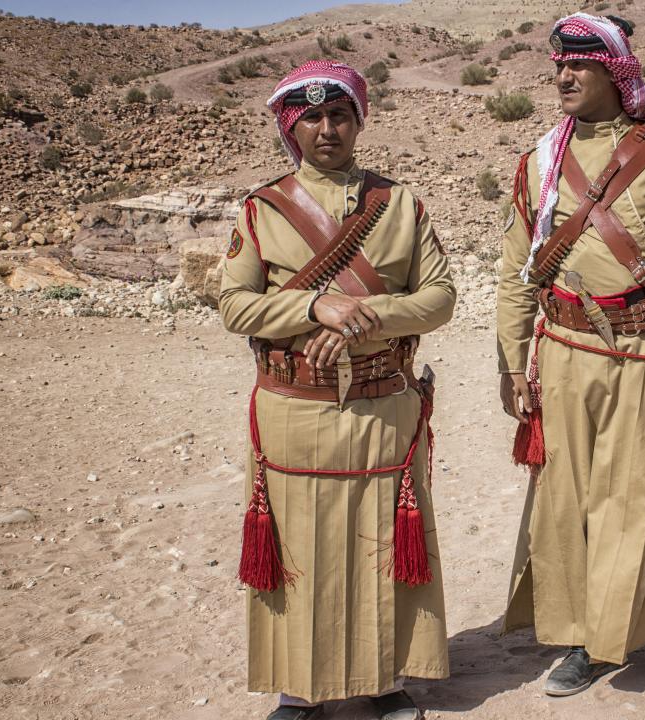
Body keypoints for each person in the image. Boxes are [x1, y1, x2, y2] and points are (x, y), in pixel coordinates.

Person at [496, 13, 645, 698]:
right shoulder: (538, 163)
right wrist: (511, 361)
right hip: (563, 351)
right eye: (558, 66)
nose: (564, 77)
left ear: (615, 72)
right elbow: (517, 271)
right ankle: (583, 638)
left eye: (580, 66)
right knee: (570, 498)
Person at [219, 60, 455, 720]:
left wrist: (366, 316)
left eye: (340, 115)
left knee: (381, 546)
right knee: (300, 550)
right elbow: (234, 305)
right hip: (295, 408)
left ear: (358, 123)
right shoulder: (262, 210)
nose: (327, 129)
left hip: (383, 407)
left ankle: (385, 680)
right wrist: (313, 307)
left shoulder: (401, 205)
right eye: (313, 117)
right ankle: (298, 689)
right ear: (291, 127)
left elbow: (440, 298)